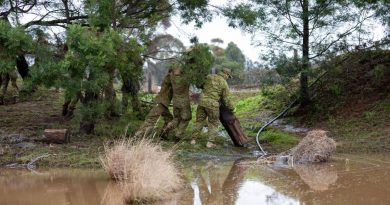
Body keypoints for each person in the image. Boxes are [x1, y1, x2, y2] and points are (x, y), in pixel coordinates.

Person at [191, 68, 234, 148]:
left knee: (199, 121)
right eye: (229, 76)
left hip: (201, 102)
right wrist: (232, 108)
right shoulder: (224, 83)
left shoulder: (209, 76)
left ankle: (193, 140)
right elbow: (227, 98)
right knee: (213, 123)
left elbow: (199, 85)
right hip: (212, 105)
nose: (228, 78)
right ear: (226, 74)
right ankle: (210, 143)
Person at [134, 70, 173, 138]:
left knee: (169, 118)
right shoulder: (168, 78)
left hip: (163, 104)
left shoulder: (172, 80)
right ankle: (138, 135)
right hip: (160, 103)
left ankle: (163, 134)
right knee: (151, 119)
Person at [161, 65, 192, 141]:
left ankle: (166, 129)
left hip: (175, 102)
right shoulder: (185, 78)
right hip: (184, 103)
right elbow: (192, 73)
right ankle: (178, 136)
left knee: (176, 118)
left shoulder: (172, 77)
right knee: (186, 118)